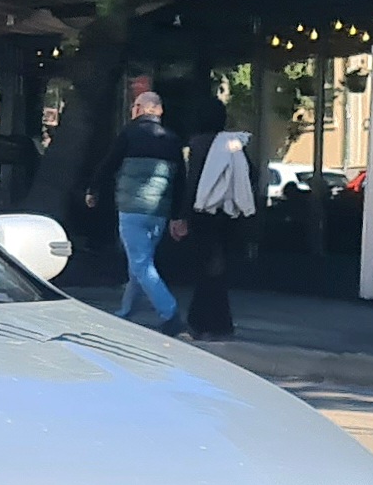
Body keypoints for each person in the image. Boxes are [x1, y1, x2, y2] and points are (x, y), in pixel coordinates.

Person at [87, 90, 186, 337]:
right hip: (159, 212)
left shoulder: (129, 134)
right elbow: (180, 180)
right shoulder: (173, 139)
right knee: (140, 263)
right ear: (159, 111)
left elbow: (108, 163)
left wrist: (93, 189)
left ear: (141, 109)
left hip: (132, 209)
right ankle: (126, 310)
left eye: (134, 106)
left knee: (141, 264)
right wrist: (177, 215)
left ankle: (170, 313)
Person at [174, 100, 256, 339]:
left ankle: (201, 322)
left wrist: (182, 215)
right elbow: (249, 174)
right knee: (217, 269)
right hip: (229, 213)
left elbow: (193, 182)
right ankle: (215, 321)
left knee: (207, 268)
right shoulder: (234, 144)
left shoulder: (199, 144)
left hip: (204, 213)